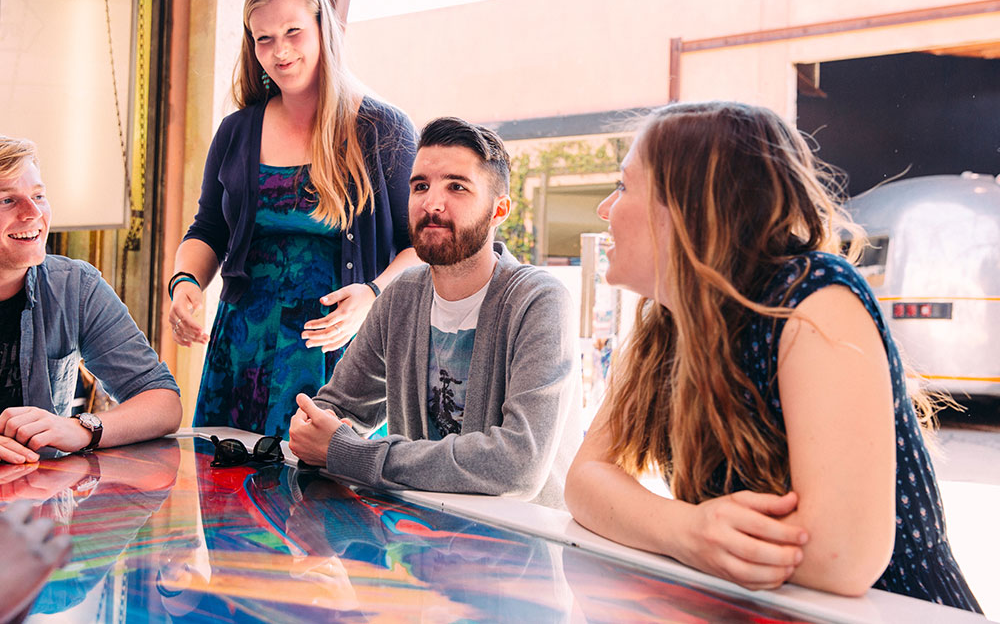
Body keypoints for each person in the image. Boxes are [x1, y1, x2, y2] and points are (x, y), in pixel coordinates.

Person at [564, 102, 982, 611]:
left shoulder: (812, 297)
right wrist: (687, 530)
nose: (606, 209)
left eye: (625, 186)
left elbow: (841, 555)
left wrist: (677, 533)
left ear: (692, 205)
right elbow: (585, 481)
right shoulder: (667, 323)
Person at [168, 0, 419, 438]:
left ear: (324, 29)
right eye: (264, 39)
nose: (280, 52)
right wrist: (185, 283)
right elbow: (207, 231)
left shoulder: (383, 129)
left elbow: (418, 246)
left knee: (327, 502)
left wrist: (373, 295)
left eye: (292, 32)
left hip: (340, 352)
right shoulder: (237, 131)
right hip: (241, 350)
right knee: (228, 495)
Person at [288, 117, 581, 508]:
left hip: (521, 551)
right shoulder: (399, 298)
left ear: (500, 211)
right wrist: (312, 423)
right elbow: (338, 408)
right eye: (420, 186)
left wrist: (353, 454)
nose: (432, 203)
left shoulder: (539, 302)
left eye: (456, 187)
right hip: (420, 544)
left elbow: (517, 466)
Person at [0, 136, 182, 463]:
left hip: (42, 504)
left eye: (39, 196)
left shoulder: (76, 286)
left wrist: (84, 428)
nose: (33, 213)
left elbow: (163, 404)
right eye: (7, 201)